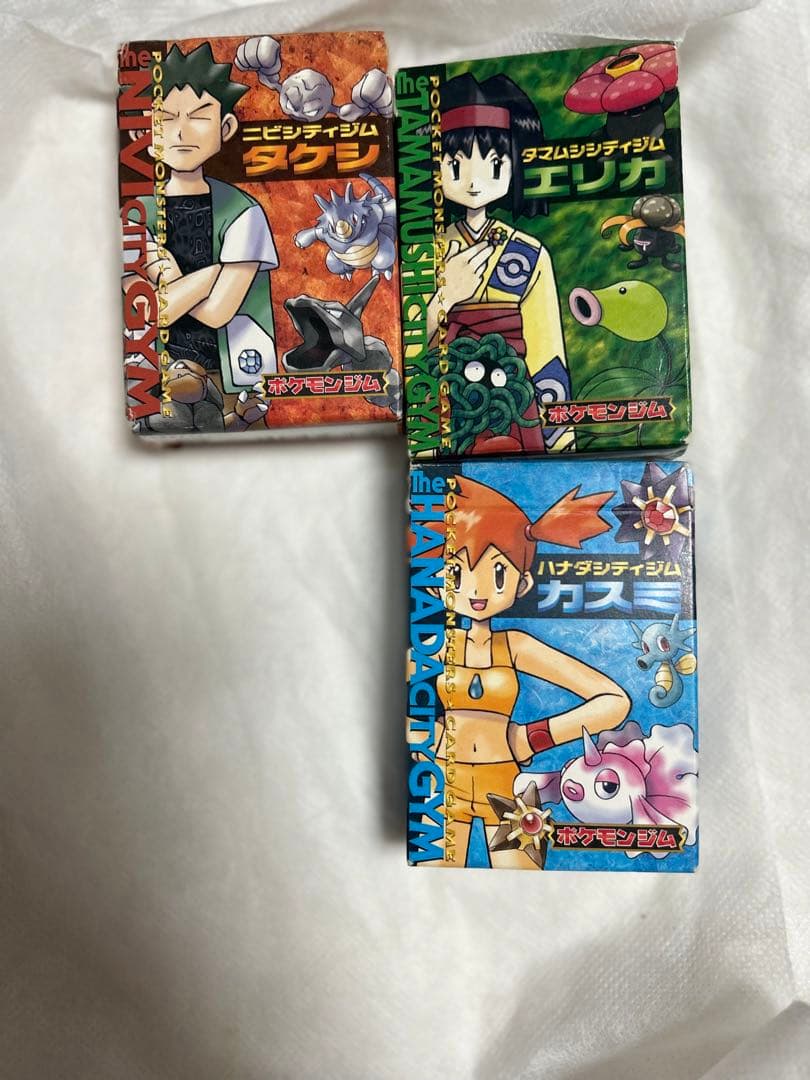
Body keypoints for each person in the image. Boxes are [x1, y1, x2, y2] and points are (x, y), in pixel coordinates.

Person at [420, 475, 631, 868]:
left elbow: (613, 701)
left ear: (523, 582)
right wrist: (425, 738)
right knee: (430, 884)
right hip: (442, 782)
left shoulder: (515, 645)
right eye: (457, 575)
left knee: (522, 884)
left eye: (498, 573)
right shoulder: (436, 645)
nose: (476, 590)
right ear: (435, 585)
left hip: (505, 782)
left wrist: (530, 738)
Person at [125, 42, 278, 432]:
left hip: (232, 380)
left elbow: (217, 313)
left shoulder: (244, 211)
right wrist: (214, 273)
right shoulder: (134, 212)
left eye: (198, 117)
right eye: (166, 118)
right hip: (154, 382)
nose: (181, 131)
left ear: (225, 128)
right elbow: (148, 313)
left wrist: (171, 279)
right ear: (146, 130)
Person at [426, 73, 574, 452]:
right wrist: (446, 298)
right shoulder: (426, 253)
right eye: (455, 166)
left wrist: (562, 445)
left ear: (512, 167)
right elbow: (410, 349)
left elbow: (547, 355)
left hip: (513, 402)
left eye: (494, 165)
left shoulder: (529, 253)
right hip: (448, 401)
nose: (474, 182)